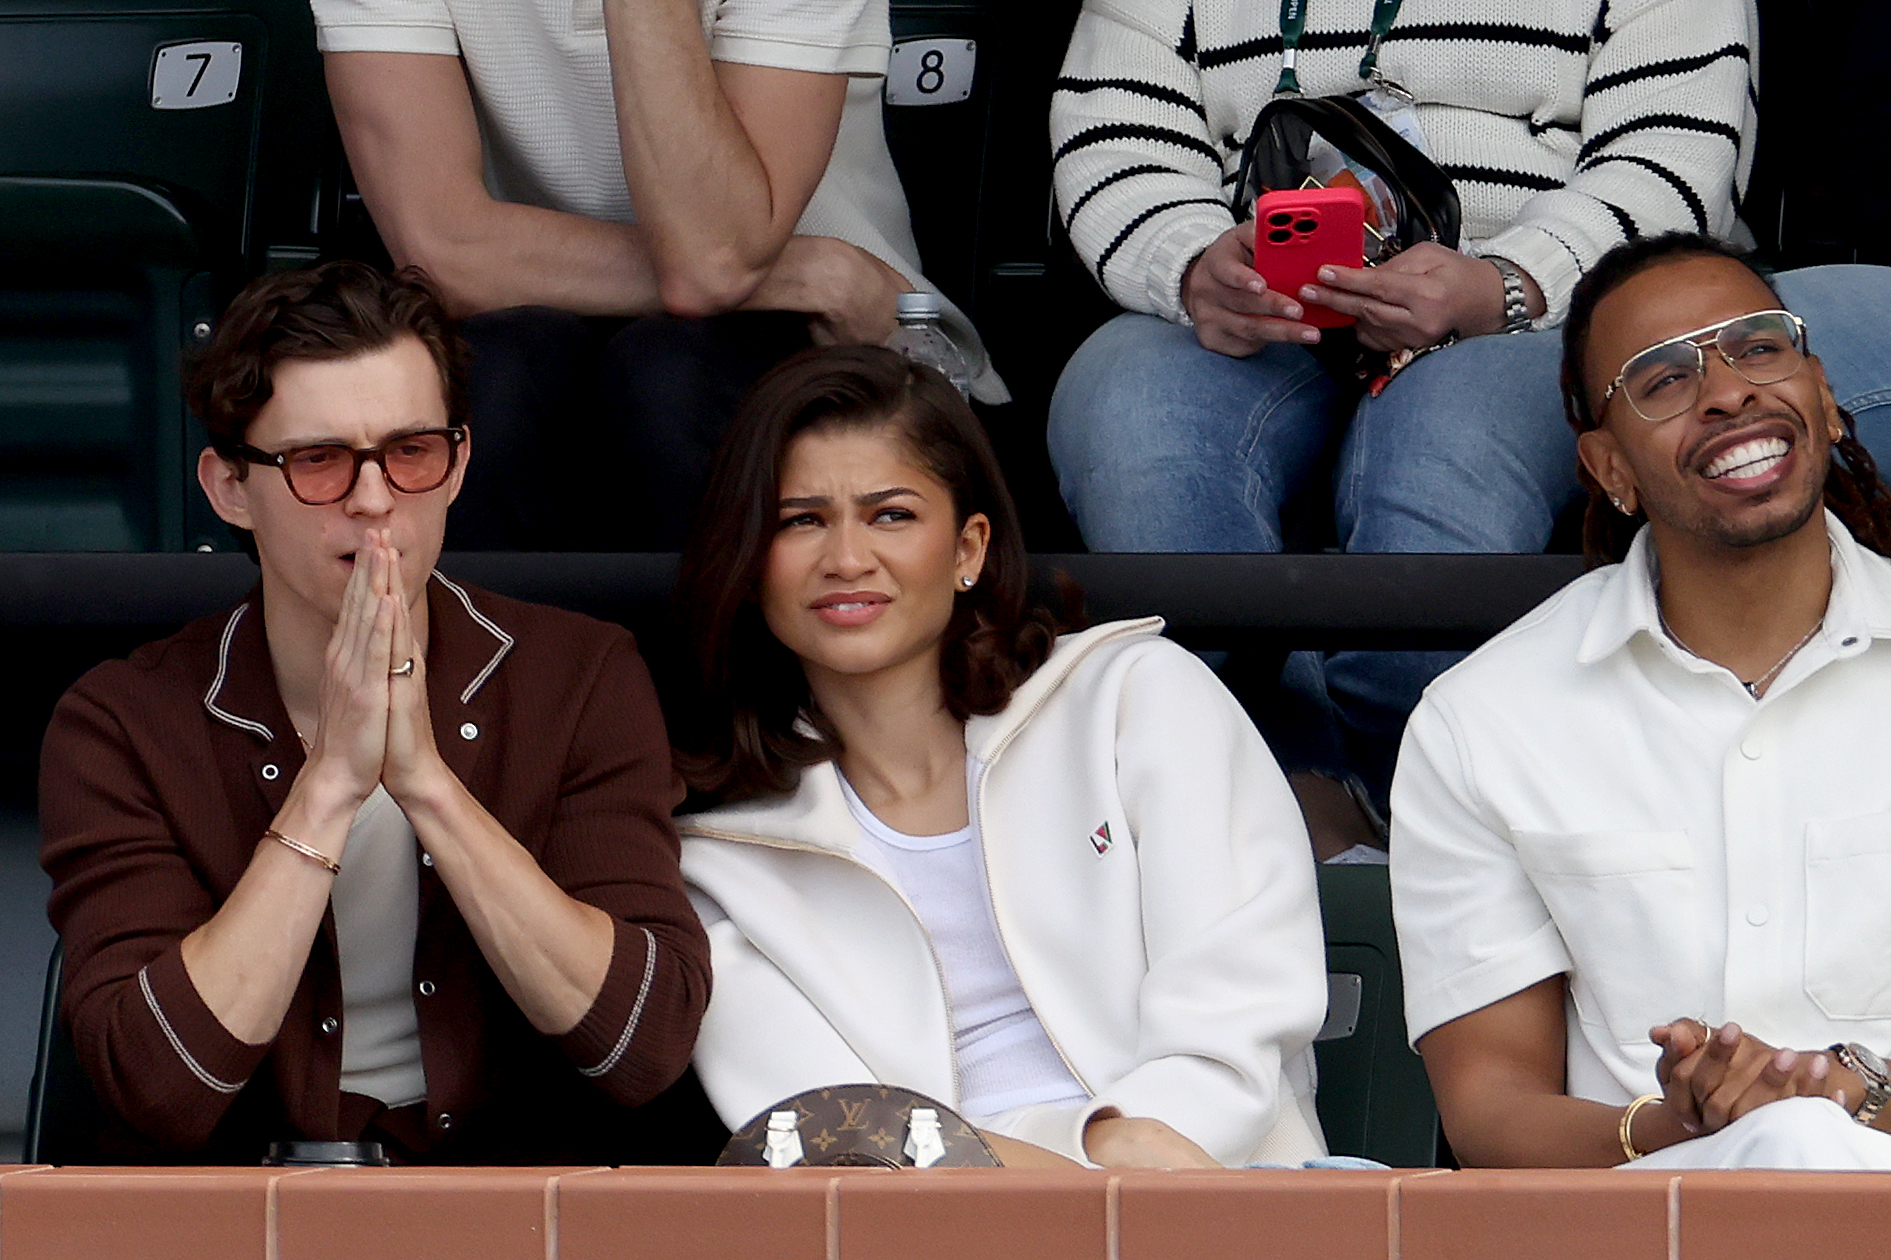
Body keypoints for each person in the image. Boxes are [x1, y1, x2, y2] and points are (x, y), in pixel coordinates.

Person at [1047, 0, 1891, 826]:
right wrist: (1190, 262)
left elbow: (1674, 153)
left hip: (1540, 306)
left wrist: (1507, 283)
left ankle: (1429, 818)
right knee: (1137, 422)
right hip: (1252, 306)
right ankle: (1264, 802)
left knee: (1442, 465)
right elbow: (1113, 135)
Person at [37, 261, 710, 1162]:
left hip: (510, 1214)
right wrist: (330, 790)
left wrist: (427, 784)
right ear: (229, 488)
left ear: (460, 462)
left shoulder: (579, 677)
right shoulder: (121, 722)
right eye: (318, 460)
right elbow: (155, 1084)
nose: (375, 499)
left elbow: (643, 1044)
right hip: (237, 1219)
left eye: (411, 451)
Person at [671, 344, 1330, 1168]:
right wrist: (1077, 1181)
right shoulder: (719, 859)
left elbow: (1235, 1028)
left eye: (891, 515)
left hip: (1221, 1190)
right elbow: (833, 1142)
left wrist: (1126, 1153)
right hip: (939, 1240)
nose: (845, 558)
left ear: (968, 549)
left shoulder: (1133, 698)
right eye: (800, 519)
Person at [1389, 233, 1891, 1169]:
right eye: (1661, 381)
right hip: (1645, 1216)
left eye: (1757, 347)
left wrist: (1861, 1094)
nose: (1728, 390)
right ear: (1608, 468)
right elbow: (1490, 1109)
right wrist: (1675, 1127)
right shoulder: (1483, 718)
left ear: (1822, 397)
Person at [313, 0, 1005, 550]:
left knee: (668, 378)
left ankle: (731, 725)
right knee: (493, 378)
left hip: (824, 340)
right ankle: (500, 720)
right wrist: (808, 272)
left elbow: (715, 253)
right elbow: (442, 248)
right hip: (530, 320)